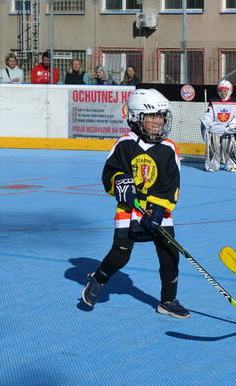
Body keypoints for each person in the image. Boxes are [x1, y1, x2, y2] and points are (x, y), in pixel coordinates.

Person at [79, 87, 189, 319]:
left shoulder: (169, 148)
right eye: (151, 116)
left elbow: (172, 184)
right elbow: (110, 173)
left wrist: (159, 209)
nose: (158, 121)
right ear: (137, 118)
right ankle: (98, 278)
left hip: (159, 210)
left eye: (161, 116)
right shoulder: (125, 144)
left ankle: (168, 301)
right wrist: (120, 182)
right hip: (129, 210)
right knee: (121, 254)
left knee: (170, 253)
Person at [201, 79, 236, 172]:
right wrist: (206, 125)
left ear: (230, 90)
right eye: (221, 91)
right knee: (213, 148)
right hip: (215, 129)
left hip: (228, 130)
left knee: (229, 148)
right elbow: (209, 116)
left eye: (225, 91)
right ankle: (212, 165)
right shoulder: (213, 101)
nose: (223, 93)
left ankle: (232, 165)